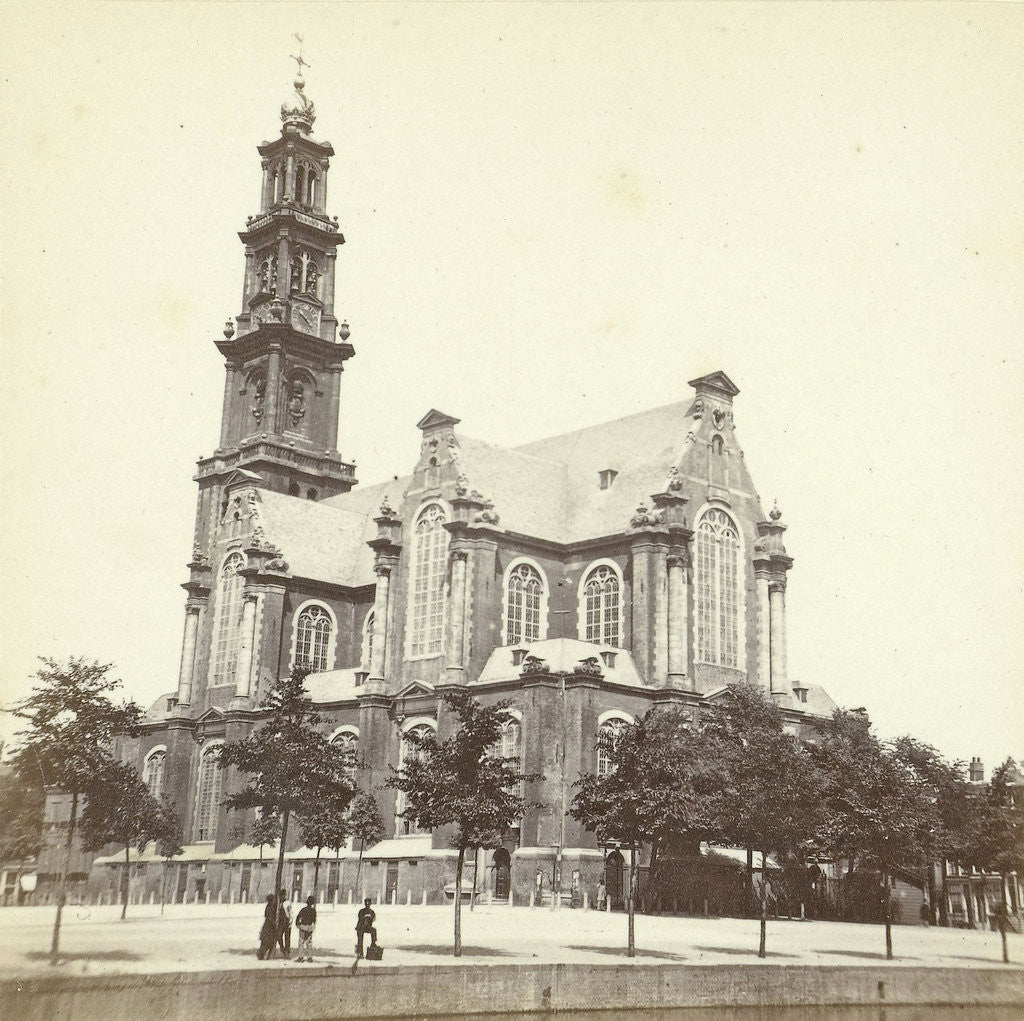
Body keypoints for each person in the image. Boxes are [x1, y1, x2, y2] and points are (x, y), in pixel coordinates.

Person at [295, 896, 317, 962]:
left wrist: (297, 924)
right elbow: (314, 920)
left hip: (303, 926)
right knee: (309, 942)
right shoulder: (313, 910)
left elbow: (298, 917)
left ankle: (301, 957)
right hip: (310, 927)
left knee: (301, 942)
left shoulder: (303, 909)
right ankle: (310, 957)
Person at [257, 894, 278, 960]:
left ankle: (263, 954)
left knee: (266, 942)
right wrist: (274, 924)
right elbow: (269, 917)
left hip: (267, 926)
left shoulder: (269, 906)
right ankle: (261, 954)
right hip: (269, 927)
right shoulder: (270, 907)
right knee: (267, 942)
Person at [276, 890, 290, 958]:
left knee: (287, 938)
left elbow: (290, 912)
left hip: (286, 921)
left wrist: (290, 921)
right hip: (281, 922)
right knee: (279, 936)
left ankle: (287, 952)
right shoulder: (278, 903)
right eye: (281, 895)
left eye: (283, 895)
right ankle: (282, 949)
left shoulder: (287, 903)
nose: (282, 897)